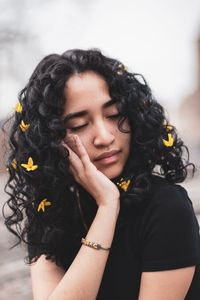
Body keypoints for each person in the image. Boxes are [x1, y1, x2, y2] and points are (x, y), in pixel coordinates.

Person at [2, 48, 200, 300]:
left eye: (114, 115)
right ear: (50, 138)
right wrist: (107, 207)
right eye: (79, 125)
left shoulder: (166, 208)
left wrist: (109, 203)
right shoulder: (50, 214)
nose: (105, 137)